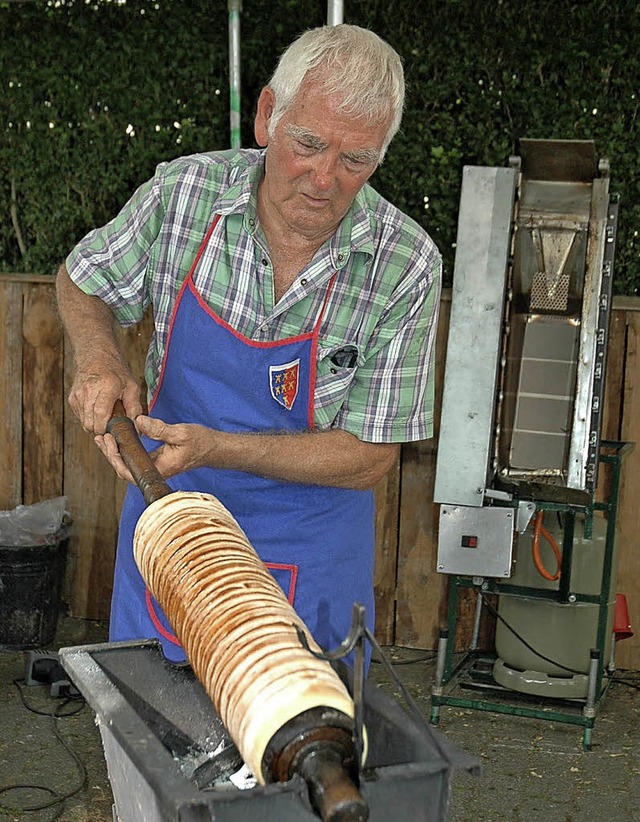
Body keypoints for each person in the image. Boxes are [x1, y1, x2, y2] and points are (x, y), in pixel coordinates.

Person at [56, 24, 442, 667]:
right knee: (152, 750)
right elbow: (82, 279)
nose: (325, 179)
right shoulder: (184, 196)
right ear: (268, 116)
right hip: (170, 539)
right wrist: (99, 356)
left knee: (303, 754)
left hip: (310, 566)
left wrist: (216, 448)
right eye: (309, 144)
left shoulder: (403, 264)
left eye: (356, 160)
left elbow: (371, 457)